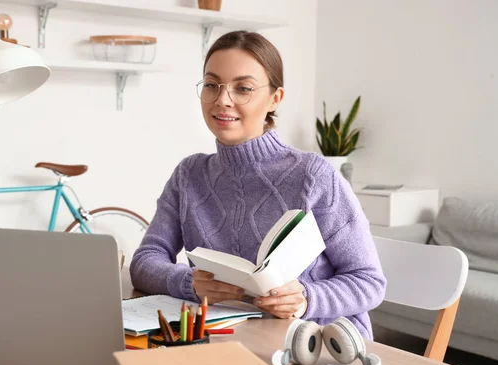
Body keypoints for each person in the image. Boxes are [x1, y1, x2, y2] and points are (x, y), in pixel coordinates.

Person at [130, 30, 386, 340]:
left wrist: (306, 298)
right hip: (226, 343)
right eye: (212, 85)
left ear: (275, 98)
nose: (223, 99)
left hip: (317, 347)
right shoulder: (189, 175)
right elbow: (144, 263)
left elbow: (368, 282)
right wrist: (189, 282)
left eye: (243, 88)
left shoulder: (314, 176)